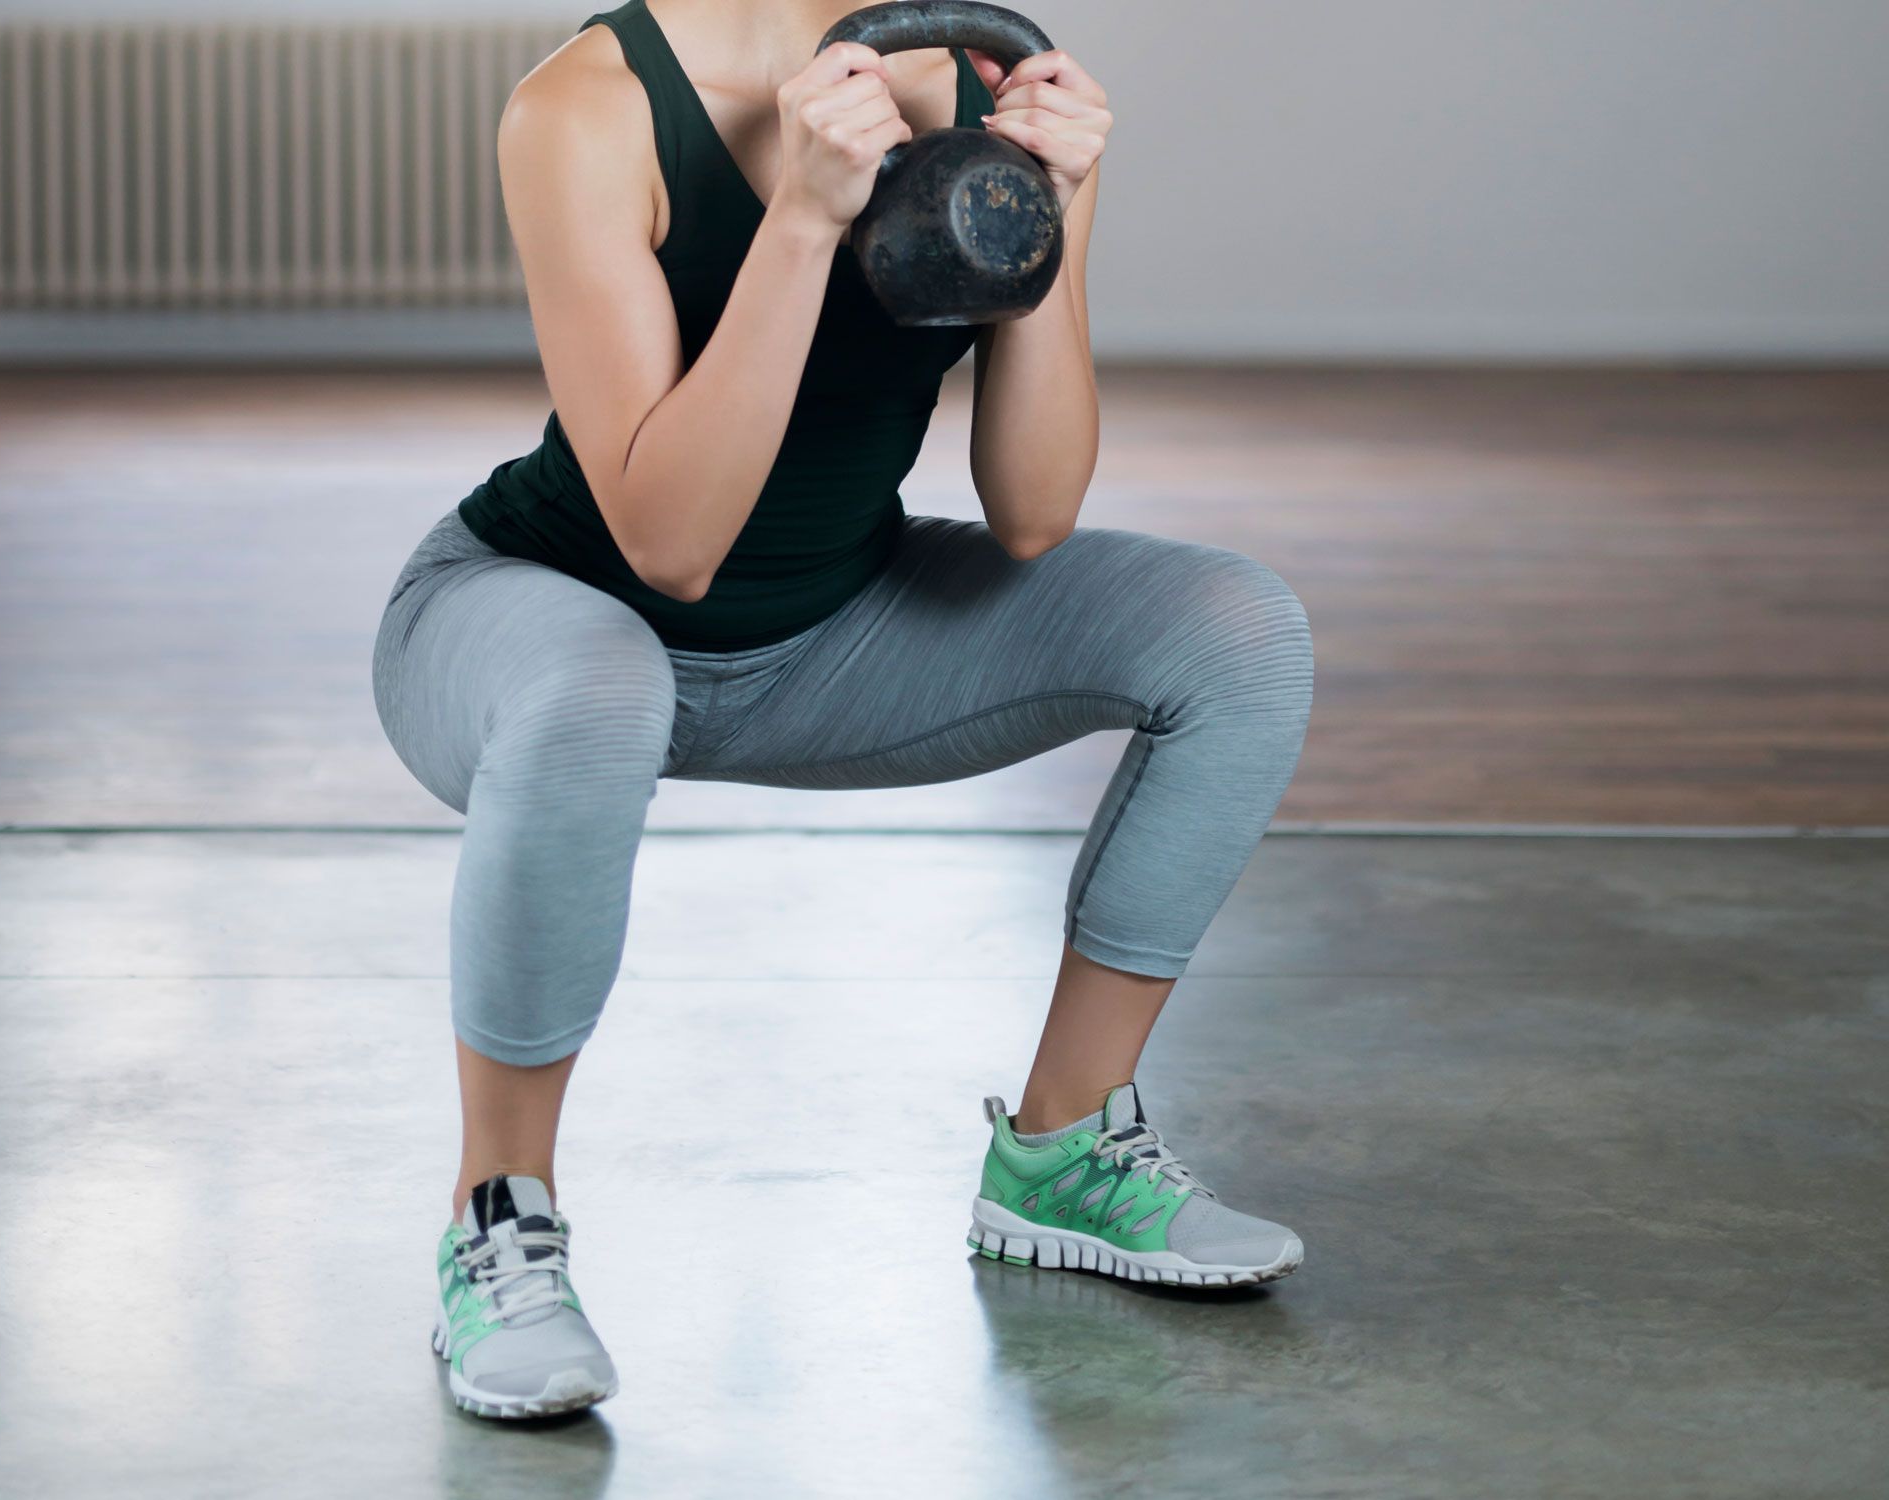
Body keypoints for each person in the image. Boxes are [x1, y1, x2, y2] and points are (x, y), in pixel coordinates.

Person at [373, 0, 1314, 1420]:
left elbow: (1036, 511)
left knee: (1239, 630)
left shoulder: (980, 85)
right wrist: (803, 224)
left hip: (834, 632)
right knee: (596, 692)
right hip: (539, 622)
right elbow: (669, 544)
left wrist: (1044, 217)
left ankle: (1061, 1156)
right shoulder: (584, 109)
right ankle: (498, 1219)